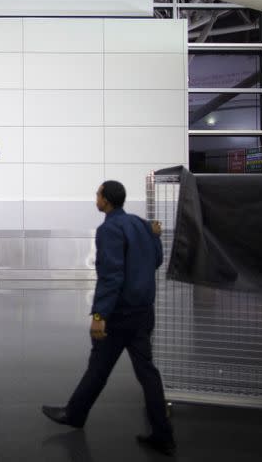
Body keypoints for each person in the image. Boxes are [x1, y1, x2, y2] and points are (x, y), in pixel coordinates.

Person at [41, 180, 176, 456]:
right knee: (146, 372)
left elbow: (111, 275)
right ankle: (163, 434)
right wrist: (155, 237)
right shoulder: (140, 224)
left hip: (119, 315)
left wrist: (100, 314)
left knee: (99, 366)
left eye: (97, 194)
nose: (96, 198)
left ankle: (74, 414)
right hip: (142, 313)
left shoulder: (109, 229)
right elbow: (156, 260)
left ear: (106, 200)